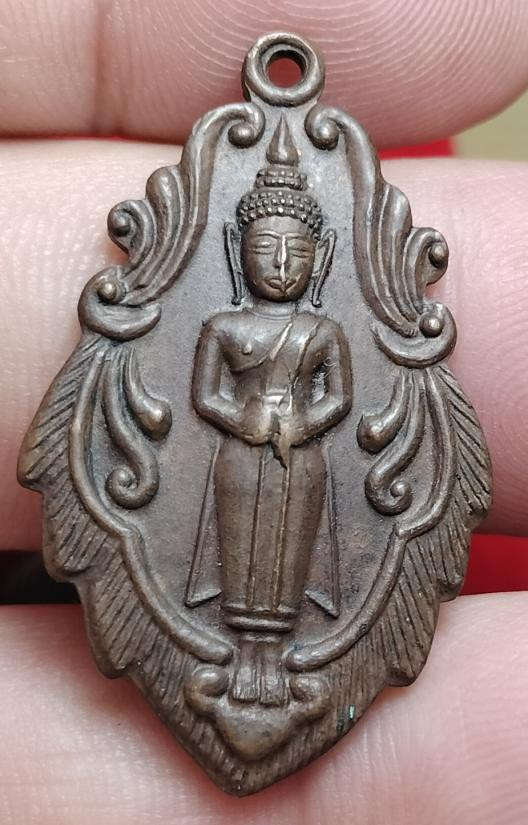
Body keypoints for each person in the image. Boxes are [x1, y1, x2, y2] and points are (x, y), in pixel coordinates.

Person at [0, 1, 527, 822]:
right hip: (239, 456)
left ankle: (277, 657)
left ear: (319, 256)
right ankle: (242, 655)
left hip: (302, 459)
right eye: (263, 248)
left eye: (294, 251)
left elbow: (340, 396)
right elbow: (206, 392)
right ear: (236, 250)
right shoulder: (221, 325)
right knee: (240, 552)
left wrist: (301, 424)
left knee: (292, 559)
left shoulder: (322, 330)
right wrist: (245, 421)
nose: (279, 262)